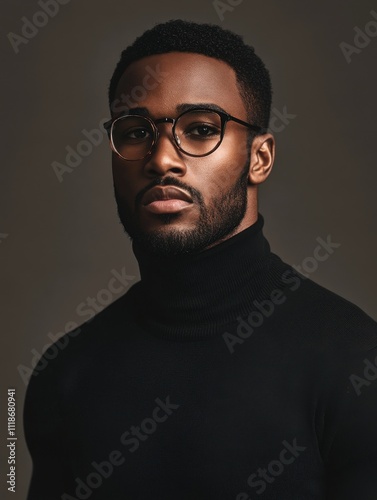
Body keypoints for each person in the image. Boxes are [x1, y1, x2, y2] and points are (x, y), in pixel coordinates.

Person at [24, 19, 377, 500]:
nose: (162, 158)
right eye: (134, 131)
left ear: (260, 157)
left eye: (201, 129)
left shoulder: (356, 361)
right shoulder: (62, 374)